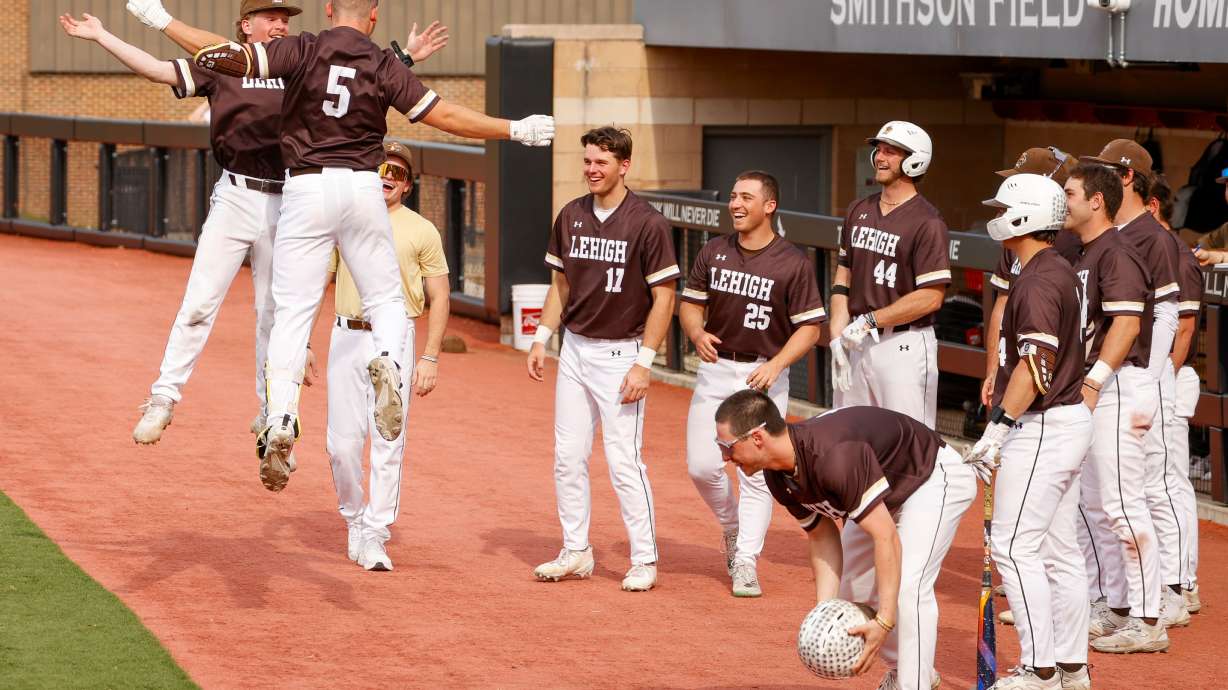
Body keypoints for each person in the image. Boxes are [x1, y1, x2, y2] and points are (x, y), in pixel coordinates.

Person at [147, 0, 554, 491]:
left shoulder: (302, 49)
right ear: (374, 17)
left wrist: (160, 20)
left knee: (292, 312)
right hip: (363, 186)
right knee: (385, 299)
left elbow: (226, 54)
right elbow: (443, 114)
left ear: (328, 9)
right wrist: (516, 129)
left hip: (305, 189)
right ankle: (387, 358)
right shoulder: (383, 62)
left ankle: (280, 416)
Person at [68, 1, 444, 446]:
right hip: (236, 194)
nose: (281, 23)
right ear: (246, 26)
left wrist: (406, 58)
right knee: (199, 303)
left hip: (290, 198)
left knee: (275, 312)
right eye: (271, 17)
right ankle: (163, 397)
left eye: (285, 18)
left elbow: (357, 77)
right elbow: (156, 70)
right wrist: (101, 36)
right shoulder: (227, 62)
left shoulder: (298, 62)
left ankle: (271, 411)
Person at [714, 391, 975, 690]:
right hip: (885, 493)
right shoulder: (777, 475)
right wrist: (824, 610)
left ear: (757, 438)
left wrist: (884, 621)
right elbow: (822, 535)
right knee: (851, 591)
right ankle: (908, 668)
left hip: (931, 479)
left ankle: (913, 684)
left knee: (908, 589)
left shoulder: (833, 457)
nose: (724, 456)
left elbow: (886, 538)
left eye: (727, 446)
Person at [526, 127, 679, 592]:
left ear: (624, 166)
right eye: (588, 161)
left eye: (602, 163)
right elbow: (561, 286)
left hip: (621, 353)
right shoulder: (571, 214)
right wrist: (541, 336)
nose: (592, 170)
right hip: (574, 348)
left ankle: (645, 558)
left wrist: (645, 362)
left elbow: (665, 296)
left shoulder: (647, 222)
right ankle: (576, 550)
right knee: (567, 457)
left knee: (623, 460)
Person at [964, 174, 1092, 690]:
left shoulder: (1039, 278)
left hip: (1043, 425)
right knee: (1059, 552)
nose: (996, 213)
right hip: (1064, 422)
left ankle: (1040, 672)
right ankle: (1071, 667)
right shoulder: (1050, 267)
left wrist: (998, 428)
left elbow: (1034, 364)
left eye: (1003, 206)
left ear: (1025, 215)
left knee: (1016, 548)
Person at [679, 171, 825, 597]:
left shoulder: (792, 262)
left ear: (770, 206)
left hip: (762, 376)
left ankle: (745, 560)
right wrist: (696, 333)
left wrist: (778, 364)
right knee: (702, 466)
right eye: (733, 196)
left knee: (757, 476)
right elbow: (691, 305)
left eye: (747, 197)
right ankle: (731, 526)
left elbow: (811, 329)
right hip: (716, 370)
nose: (736, 204)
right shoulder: (714, 250)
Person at [1059, 163, 1168, 655]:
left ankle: (1150, 619)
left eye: (1070, 193)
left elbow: (1126, 324)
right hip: (1102, 386)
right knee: (1100, 506)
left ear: (1096, 201)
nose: (1064, 201)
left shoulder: (1117, 252)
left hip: (1118, 386)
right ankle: (1118, 605)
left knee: (1123, 506)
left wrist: (1095, 382)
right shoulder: (1088, 252)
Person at [325, 142, 450, 572]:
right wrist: (300, 344)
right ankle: (354, 517)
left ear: (408, 185)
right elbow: (316, 282)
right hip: (345, 333)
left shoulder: (422, 231)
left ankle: (377, 532)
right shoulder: (346, 221)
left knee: (387, 440)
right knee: (341, 446)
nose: (387, 176)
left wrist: (430, 357)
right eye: (381, 167)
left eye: (397, 171)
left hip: (395, 339)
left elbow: (439, 295)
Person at [1082, 140, 1188, 632]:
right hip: (1109, 378)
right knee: (1102, 499)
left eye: (1105, 170)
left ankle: (1166, 596)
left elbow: (1170, 310)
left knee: (1144, 493)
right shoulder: (1101, 236)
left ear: (1125, 177)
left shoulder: (1153, 235)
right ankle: (1119, 600)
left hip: (1135, 377)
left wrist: (1154, 374)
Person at [829, 121, 949, 429]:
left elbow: (931, 297)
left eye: (890, 152)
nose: (880, 158)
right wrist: (836, 337)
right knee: (850, 436)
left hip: (903, 344)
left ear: (914, 160)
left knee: (907, 441)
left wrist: (870, 320)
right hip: (857, 342)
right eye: (879, 151)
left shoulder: (928, 222)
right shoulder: (858, 209)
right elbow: (844, 275)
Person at [981, 146, 1079, 407]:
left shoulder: (1068, 243)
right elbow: (1001, 306)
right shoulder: (1014, 242)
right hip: (1015, 367)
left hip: (1050, 388)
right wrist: (995, 369)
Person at [1149, 175, 1204, 618]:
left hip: (1171, 376)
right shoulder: (1149, 249)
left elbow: (1184, 329)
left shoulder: (1178, 255)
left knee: (1170, 484)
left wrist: (1160, 382)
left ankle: (1184, 583)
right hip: (1153, 378)